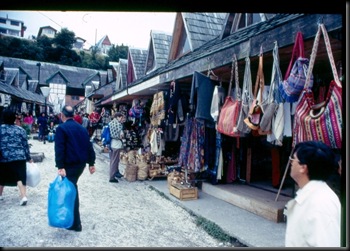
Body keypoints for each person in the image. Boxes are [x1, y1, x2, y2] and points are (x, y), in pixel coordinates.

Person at [284, 141, 341, 247]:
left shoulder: (321, 203)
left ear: (303, 168)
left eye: (294, 159)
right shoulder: (309, 195)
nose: (291, 162)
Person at [54, 105, 96, 232]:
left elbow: (59, 149)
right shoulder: (82, 129)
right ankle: (71, 221)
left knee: (71, 191)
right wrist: (91, 163)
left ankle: (75, 224)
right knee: (71, 189)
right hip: (80, 165)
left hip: (69, 165)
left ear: (62, 115)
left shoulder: (61, 128)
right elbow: (89, 146)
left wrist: (60, 166)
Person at [0, 109, 33, 205]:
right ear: (14, 118)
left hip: (4, 157)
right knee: (20, 177)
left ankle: (0, 195)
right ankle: (23, 196)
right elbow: (25, 145)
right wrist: (28, 158)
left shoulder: (0, 129)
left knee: (1, 176)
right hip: (19, 157)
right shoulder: (20, 130)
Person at [108, 112, 125, 183]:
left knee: (113, 160)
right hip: (116, 144)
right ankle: (112, 177)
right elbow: (121, 135)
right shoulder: (119, 125)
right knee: (115, 161)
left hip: (111, 143)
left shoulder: (110, 123)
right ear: (118, 117)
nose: (122, 119)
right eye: (121, 118)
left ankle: (116, 172)